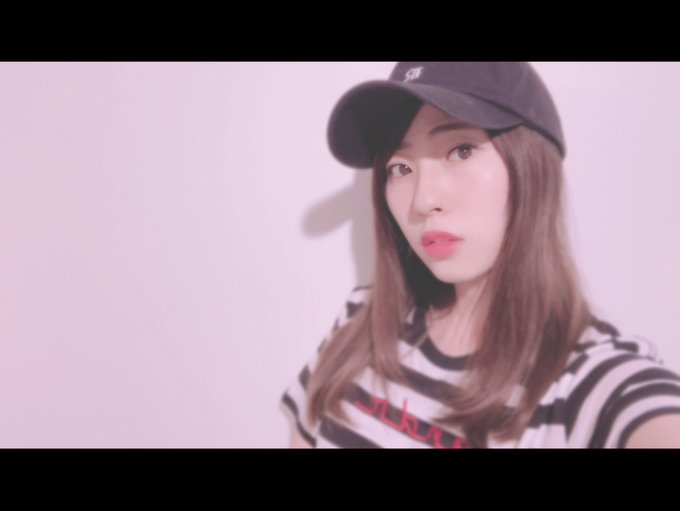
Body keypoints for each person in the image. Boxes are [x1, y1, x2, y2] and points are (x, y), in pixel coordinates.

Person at [279, 62, 680, 448]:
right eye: (399, 169)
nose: (423, 200)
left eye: (461, 150)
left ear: (532, 164)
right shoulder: (360, 323)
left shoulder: (587, 380)